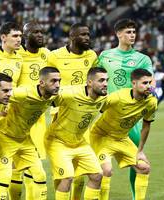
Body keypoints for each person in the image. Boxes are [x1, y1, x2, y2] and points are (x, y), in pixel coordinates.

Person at [97, 18, 154, 199]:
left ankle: (134, 196)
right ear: (118, 34)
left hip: (132, 118)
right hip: (108, 114)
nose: (132, 35)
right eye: (128, 32)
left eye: (134, 32)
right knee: (103, 167)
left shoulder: (142, 59)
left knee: (137, 160)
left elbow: (150, 83)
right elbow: (95, 79)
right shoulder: (105, 56)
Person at [0, 66, 61, 200]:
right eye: (53, 81)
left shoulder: (54, 95)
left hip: (24, 139)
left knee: (40, 176)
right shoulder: (24, 93)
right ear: (42, 83)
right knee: (5, 178)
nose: (57, 85)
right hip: (3, 137)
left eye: (59, 81)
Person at [89, 68, 157, 200]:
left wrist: (140, 150)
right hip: (102, 136)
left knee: (144, 167)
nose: (148, 86)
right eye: (144, 83)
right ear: (134, 84)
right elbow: (94, 109)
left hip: (121, 138)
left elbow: (146, 125)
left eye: (150, 82)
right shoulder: (118, 97)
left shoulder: (151, 102)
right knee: (106, 170)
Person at [48, 23, 98, 200]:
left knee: (82, 169)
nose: (87, 38)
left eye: (88, 35)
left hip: (83, 117)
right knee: (64, 172)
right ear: (72, 36)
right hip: (61, 113)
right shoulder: (55, 56)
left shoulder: (92, 56)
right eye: (83, 35)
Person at [45, 67, 108, 200]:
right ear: (89, 82)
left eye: (107, 80)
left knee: (97, 175)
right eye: (101, 80)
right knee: (67, 178)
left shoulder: (103, 98)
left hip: (79, 142)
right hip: (58, 141)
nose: (105, 84)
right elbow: (45, 96)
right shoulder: (70, 94)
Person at [12, 21, 51, 200]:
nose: (40, 35)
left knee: (33, 165)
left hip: (38, 120)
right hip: (16, 118)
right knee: (14, 167)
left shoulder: (46, 55)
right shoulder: (16, 54)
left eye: (42, 31)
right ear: (25, 36)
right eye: (35, 32)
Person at [0, 21, 23, 199]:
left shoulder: (20, 58)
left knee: (12, 166)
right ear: (3, 37)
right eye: (15, 36)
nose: (19, 39)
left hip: (10, 118)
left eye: (20, 36)